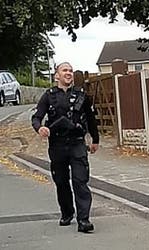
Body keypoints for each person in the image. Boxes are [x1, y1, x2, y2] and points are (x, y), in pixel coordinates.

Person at [31, 62, 99, 233]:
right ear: (57, 76)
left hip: (77, 143)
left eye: (70, 70)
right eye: (65, 70)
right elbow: (37, 117)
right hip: (57, 145)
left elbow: (91, 119)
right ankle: (67, 212)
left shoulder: (81, 95)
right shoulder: (49, 95)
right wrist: (40, 128)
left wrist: (95, 140)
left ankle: (84, 220)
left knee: (80, 181)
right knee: (61, 182)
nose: (68, 73)